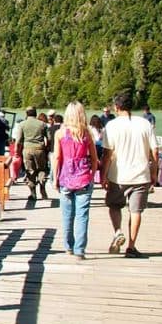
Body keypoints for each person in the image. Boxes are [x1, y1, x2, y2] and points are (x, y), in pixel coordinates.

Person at [101, 91, 159, 258]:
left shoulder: (111, 126)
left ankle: (118, 231)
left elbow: (107, 154)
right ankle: (132, 247)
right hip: (141, 174)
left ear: (116, 107)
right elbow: (154, 152)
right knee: (136, 211)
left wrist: (103, 175)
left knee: (114, 207)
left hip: (117, 175)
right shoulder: (145, 124)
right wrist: (154, 172)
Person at [53, 102, 99, 260]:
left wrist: (55, 178)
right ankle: (80, 249)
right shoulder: (86, 133)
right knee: (82, 215)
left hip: (65, 177)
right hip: (84, 177)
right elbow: (94, 158)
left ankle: (68, 246)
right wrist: (91, 175)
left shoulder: (60, 133)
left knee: (67, 215)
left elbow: (57, 157)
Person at [16, 106, 49, 201]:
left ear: (26, 114)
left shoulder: (22, 124)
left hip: (27, 149)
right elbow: (49, 138)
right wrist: (46, 148)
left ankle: (33, 193)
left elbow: (18, 140)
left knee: (30, 171)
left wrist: (16, 151)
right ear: (35, 113)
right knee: (42, 169)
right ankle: (42, 183)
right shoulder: (42, 124)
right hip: (40, 149)